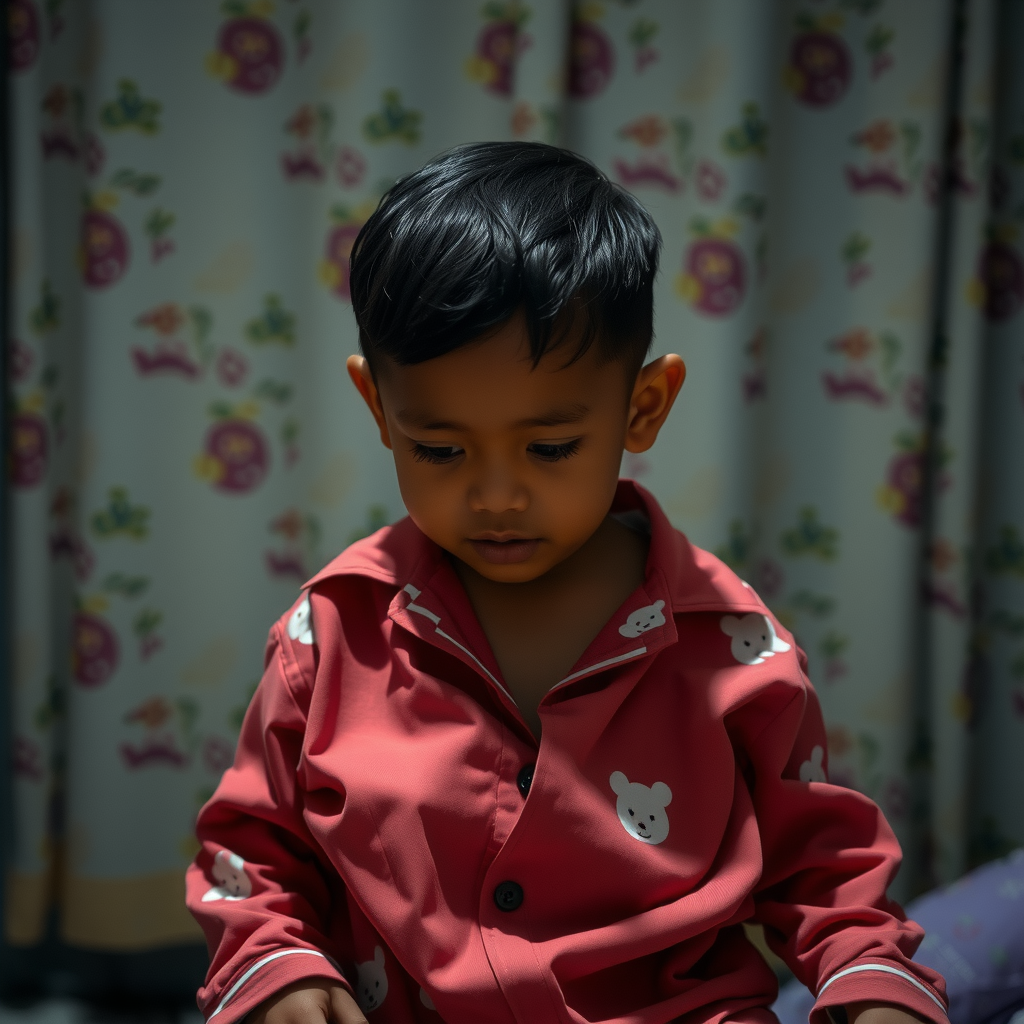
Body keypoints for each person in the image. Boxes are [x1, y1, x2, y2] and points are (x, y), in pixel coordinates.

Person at [185, 142, 948, 1024]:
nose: (497, 494)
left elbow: (828, 874)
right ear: (379, 409)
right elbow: (254, 857)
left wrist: (871, 982)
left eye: (550, 449)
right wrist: (280, 964)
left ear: (643, 409)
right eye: (440, 448)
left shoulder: (733, 646)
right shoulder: (331, 633)